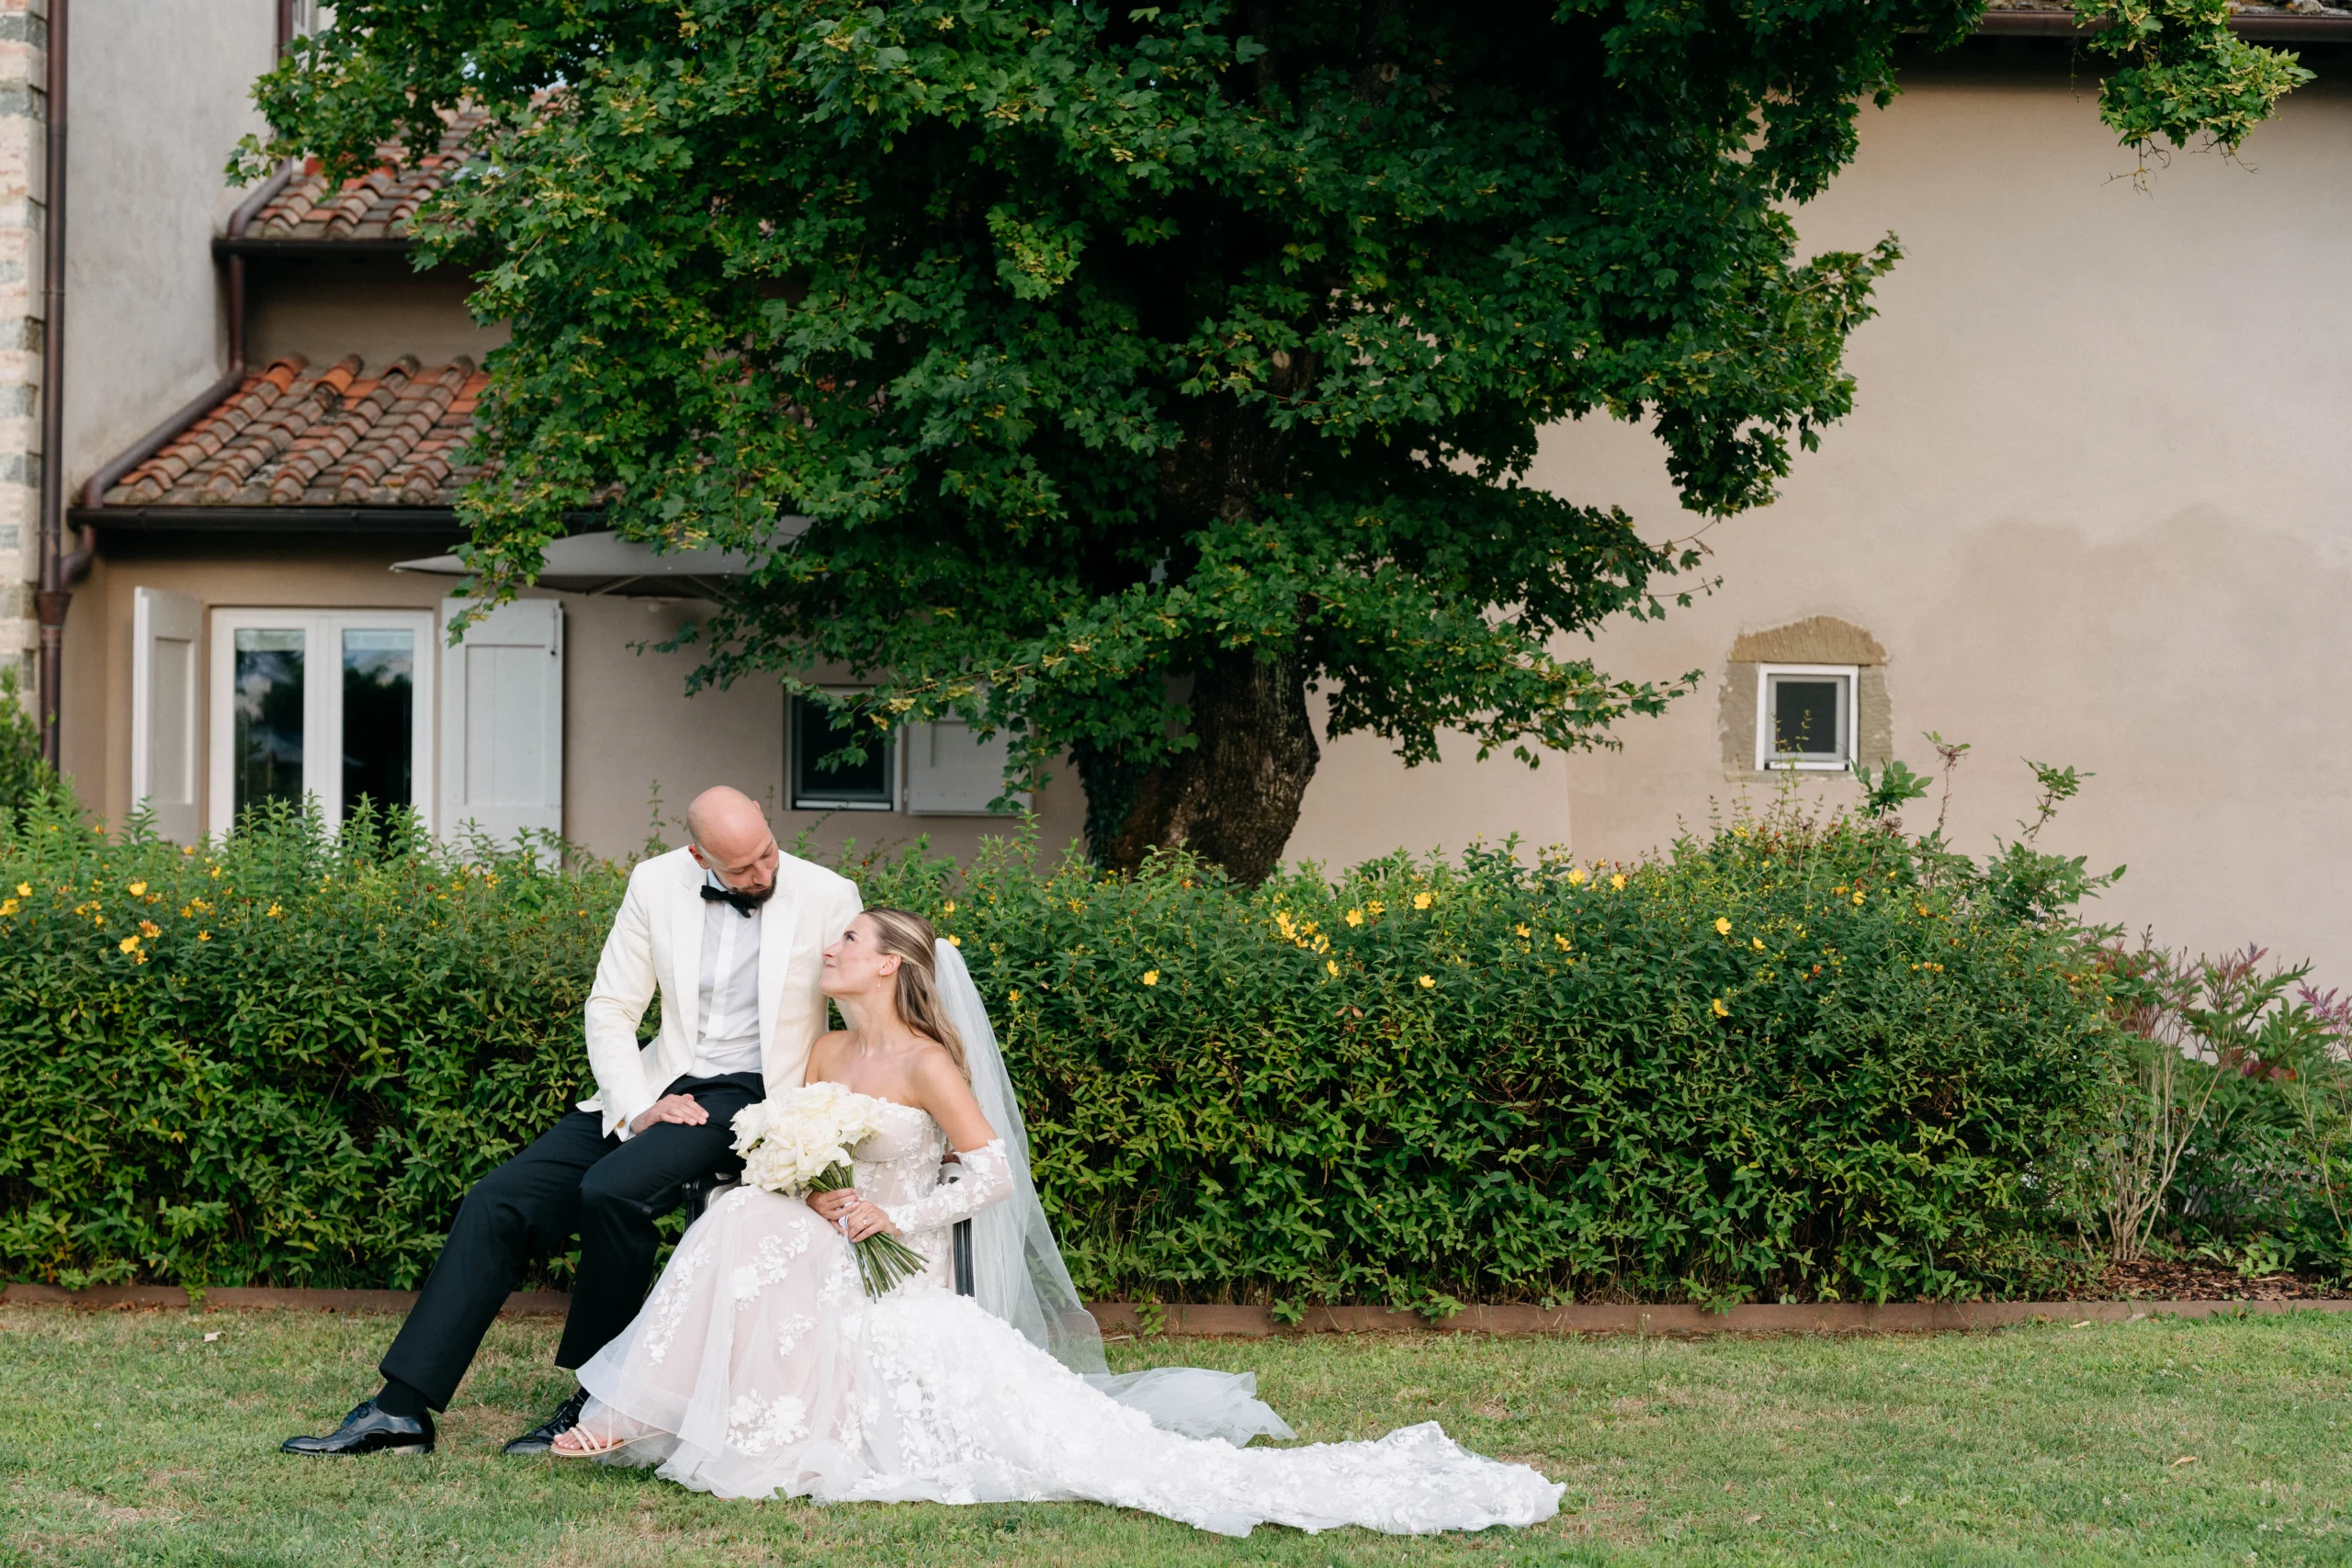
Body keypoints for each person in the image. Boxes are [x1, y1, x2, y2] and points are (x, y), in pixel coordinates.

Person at [549, 909, 1565, 1537]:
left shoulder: (926, 1065)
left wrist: (889, 1211)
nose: (831, 947)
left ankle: (645, 1410)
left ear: (896, 967)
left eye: (849, 940)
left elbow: (989, 1174)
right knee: (738, 1218)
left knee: (738, 1231)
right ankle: (652, 1412)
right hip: (832, 1233)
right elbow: (794, 1150)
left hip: (901, 1258)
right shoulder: (819, 1051)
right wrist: (814, 1189)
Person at [281, 786, 861, 1457]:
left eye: (766, 853)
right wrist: (635, 1105)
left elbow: (865, 1011)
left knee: (611, 1191)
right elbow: (612, 1004)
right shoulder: (654, 881)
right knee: (498, 1199)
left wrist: (836, 1129)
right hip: (657, 1083)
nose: (762, 875)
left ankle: (599, 1401)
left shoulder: (828, 893)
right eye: (740, 869)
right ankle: (400, 1411)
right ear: (699, 855)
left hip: (752, 1095)